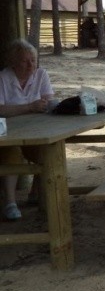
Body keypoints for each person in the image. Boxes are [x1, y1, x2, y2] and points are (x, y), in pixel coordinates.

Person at [0, 39, 54, 220]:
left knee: (45, 151)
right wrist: (29, 107)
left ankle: (35, 194)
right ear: (13, 62)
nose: (31, 64)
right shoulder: (3, 78)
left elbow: (49, 101)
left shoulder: (41, 74)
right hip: (8, 132)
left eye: (33, 59)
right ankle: (10, 203)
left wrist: (48, 105)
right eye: (25, 60)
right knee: (11, 154)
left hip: (35, 129)